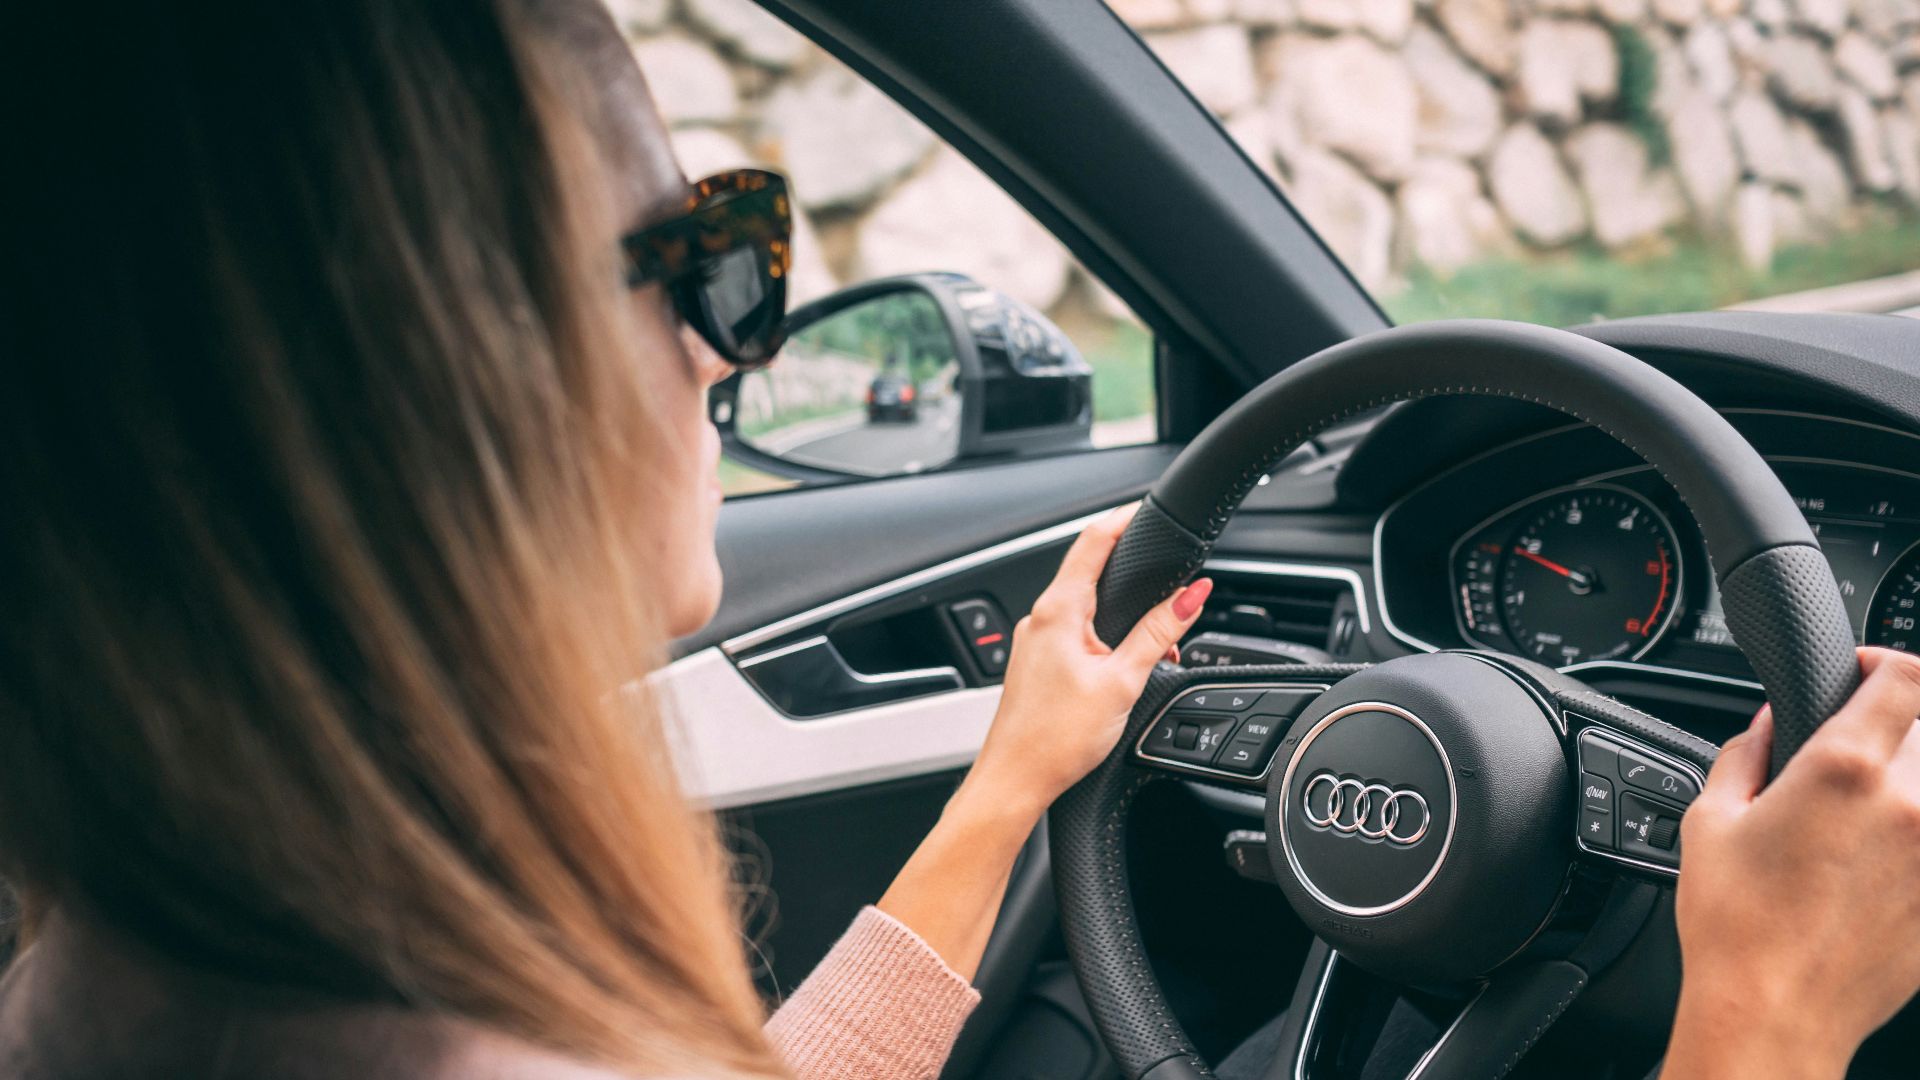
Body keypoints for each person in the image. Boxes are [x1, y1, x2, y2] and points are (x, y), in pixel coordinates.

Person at [0, 2, 1917, 1078]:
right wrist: (1762, 1014)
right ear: (447, 364)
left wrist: (1010, 787)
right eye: (712, 254)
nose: (727, 329)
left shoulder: (146, 975)